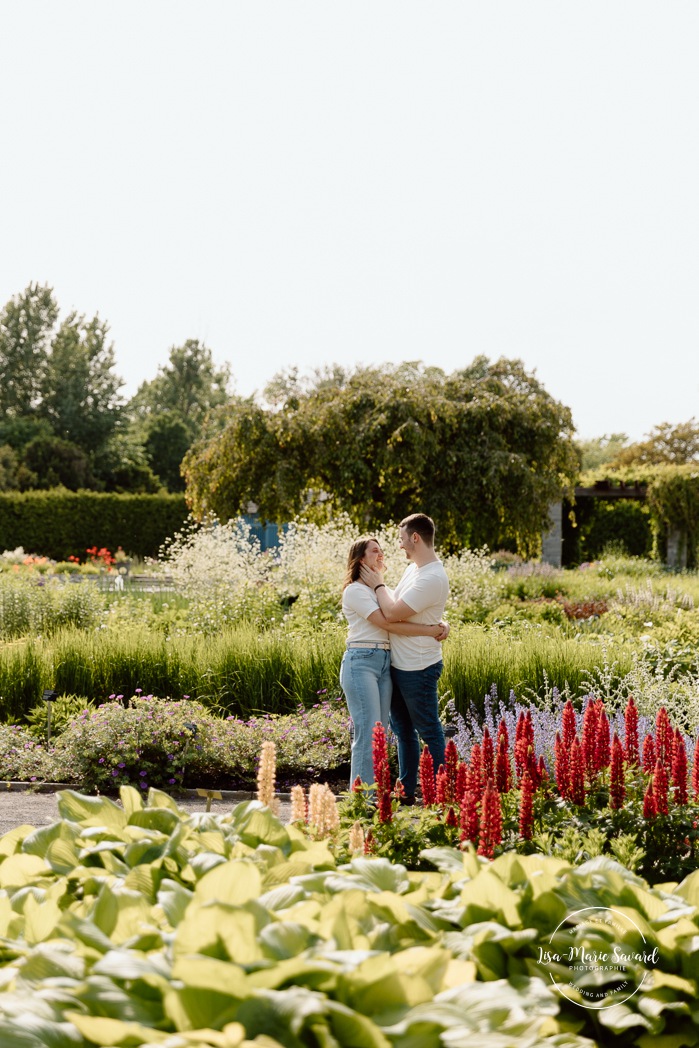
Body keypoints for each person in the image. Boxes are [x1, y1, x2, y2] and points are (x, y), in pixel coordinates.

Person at [341, 536, 448, 789]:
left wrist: (442, 624)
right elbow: (388, 622)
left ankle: (378, 795)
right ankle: (362, 798)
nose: (381, 555)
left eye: (382, 551)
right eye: (374, 551)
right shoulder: (355, 590)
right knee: (367, 733)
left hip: (384, 662)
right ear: (360, 559)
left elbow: (402, 615)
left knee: (381, 733)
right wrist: (432, 629)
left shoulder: (381, 590)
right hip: (362, 661)